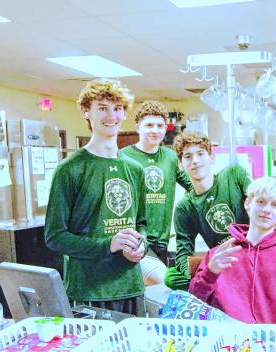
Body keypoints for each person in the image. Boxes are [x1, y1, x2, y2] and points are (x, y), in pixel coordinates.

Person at [45, 78, 147, 314]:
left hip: (131, 287)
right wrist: (108, 245)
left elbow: (141, 224)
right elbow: (55, 236)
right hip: (89, 291)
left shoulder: (134, 169)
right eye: (102, 108)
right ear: (86, 112)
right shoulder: (70, 169)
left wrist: (141, 246)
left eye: (118, 108)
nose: (112, 116)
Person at [189, 176, 276, 324]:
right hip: (224, 344)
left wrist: (272, 341)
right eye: (261, 202)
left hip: (273, 344)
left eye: (275, 205)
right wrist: (209, 273)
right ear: (247, 204)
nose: (266, 210)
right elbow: (192, 308)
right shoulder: (218, 255)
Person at [164, 131, 251, 290]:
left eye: (200, 154)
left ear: (212, 158)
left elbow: (258, 199)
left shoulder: (233, 174)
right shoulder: (185, 207)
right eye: (188, 156)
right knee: (172, 277)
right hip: (223, 264)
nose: (195, 161)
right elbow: (184, 253)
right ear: (180, 164)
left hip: (252, 255)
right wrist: (193, 272)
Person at [120, 100, 191, 286]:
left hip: (162, 239)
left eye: (160, 126)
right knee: (164, 284)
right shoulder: (123, 156)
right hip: (133, 238)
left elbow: (192, 186)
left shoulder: (170, 157)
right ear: (138, 127)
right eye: (149, 125)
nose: (155, 130)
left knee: (153, 293)